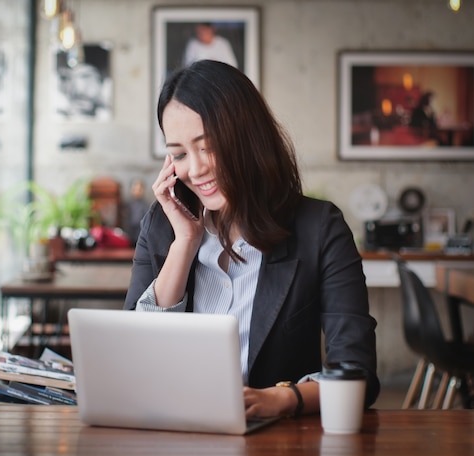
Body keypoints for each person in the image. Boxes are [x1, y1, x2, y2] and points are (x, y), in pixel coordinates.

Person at [124, 60, 379, 419]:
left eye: (208, 146)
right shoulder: (164, 225)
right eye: (179, 154)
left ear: (247, 137)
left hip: (277, 443)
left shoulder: (319, 228)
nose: (195, 170)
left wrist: (284, 398)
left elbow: (358, 373)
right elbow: (134, 360)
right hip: (172, 435)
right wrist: (185, 243)